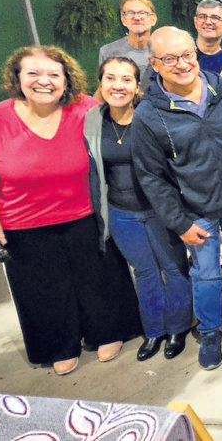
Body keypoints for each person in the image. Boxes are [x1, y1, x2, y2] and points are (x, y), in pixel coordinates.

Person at [0, 45, 142, 375]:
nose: (43, 81)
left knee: (98, 279)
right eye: (32, 73)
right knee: (43, 288)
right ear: (17, 78)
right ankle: (60, 345)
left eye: (53, 74)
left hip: (86, 214)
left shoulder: (86, 108)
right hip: (23, 224)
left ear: (66, 79)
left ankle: (108, 332)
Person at [132, 27, 222, 371]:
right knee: (206, 275)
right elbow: (151, 176)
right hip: (196, 210)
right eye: (170, 59)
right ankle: (210, 332)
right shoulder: (149, 114)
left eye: (187, 54)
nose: (182, 64)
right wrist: (179, 222)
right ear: (154, 64)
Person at [84, 57, 193, 362]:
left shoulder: (151, 115)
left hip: (160, 209)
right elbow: (93, 170)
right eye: (110, 78)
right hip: (121, 212)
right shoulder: (93, 120)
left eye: (126, 79)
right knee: (144, 272)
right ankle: (154, 331)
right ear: (101, 82)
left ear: (136, 85)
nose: (118, 86)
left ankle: (178, 327)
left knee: (173, 268)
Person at [99, 0, 157, 90]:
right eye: (130, 13)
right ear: (123, 19)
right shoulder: (108, 51)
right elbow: (104, 89)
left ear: (153, 19)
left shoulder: (166, 50)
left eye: (143, 13)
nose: (137, 17)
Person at [194, 0, 222, 72]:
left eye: (215, 18)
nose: (208, 22)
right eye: (202, 17)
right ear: (195, 22)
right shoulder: (182, 54)